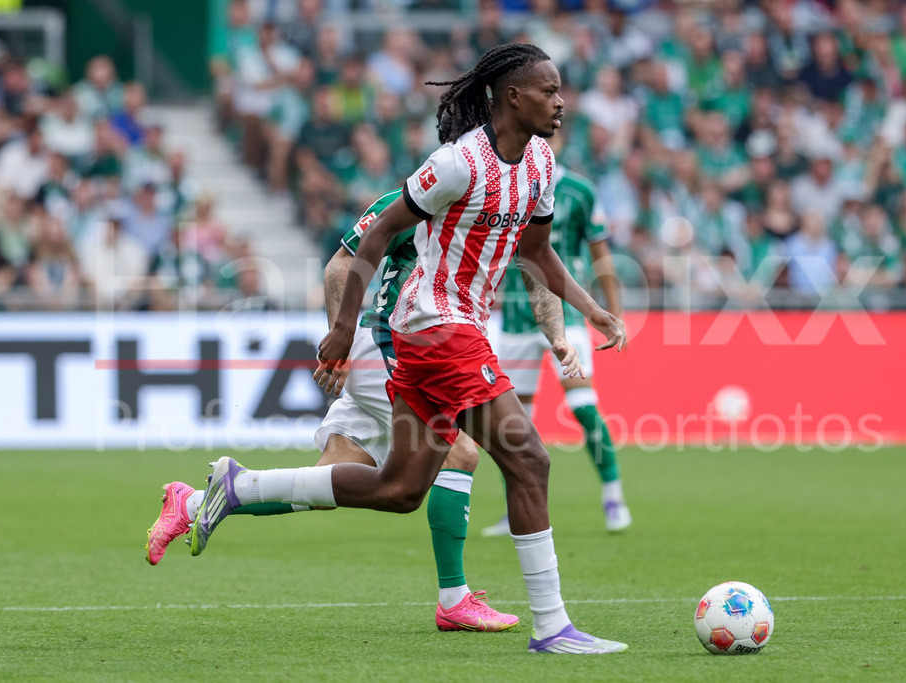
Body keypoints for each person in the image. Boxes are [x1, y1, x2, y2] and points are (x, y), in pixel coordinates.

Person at [185, 43, 629, 654]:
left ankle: (237, 487)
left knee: (400, 489)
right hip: (435, 326)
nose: (561, 102)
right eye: (549, 91)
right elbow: (381, 233)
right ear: (512, 97)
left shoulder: (542, 166)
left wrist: (591, 310)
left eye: (561, 91)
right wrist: (343, 328)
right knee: (529, 460)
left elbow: (537, 252)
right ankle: (552, 628)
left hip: (454, 330)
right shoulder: (456, 163)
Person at [146, 187, 583, 633]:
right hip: (395, 345)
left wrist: (559, 336)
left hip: (408, 348)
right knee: (460, 452)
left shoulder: (507, 200)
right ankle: (454, 598)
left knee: (331, 476)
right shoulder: (421, 195)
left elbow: (535, 269)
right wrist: (342, 336)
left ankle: (196, 500)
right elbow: (341, 263)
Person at [483, 134, 631, 536]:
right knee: (514, 425)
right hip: (513, 319)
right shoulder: (503, 182)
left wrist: (614, 313)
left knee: (584, 406)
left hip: (563, 315)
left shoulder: (580, 191)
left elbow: (601, 255)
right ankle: (516, 510)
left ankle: (613, 496)